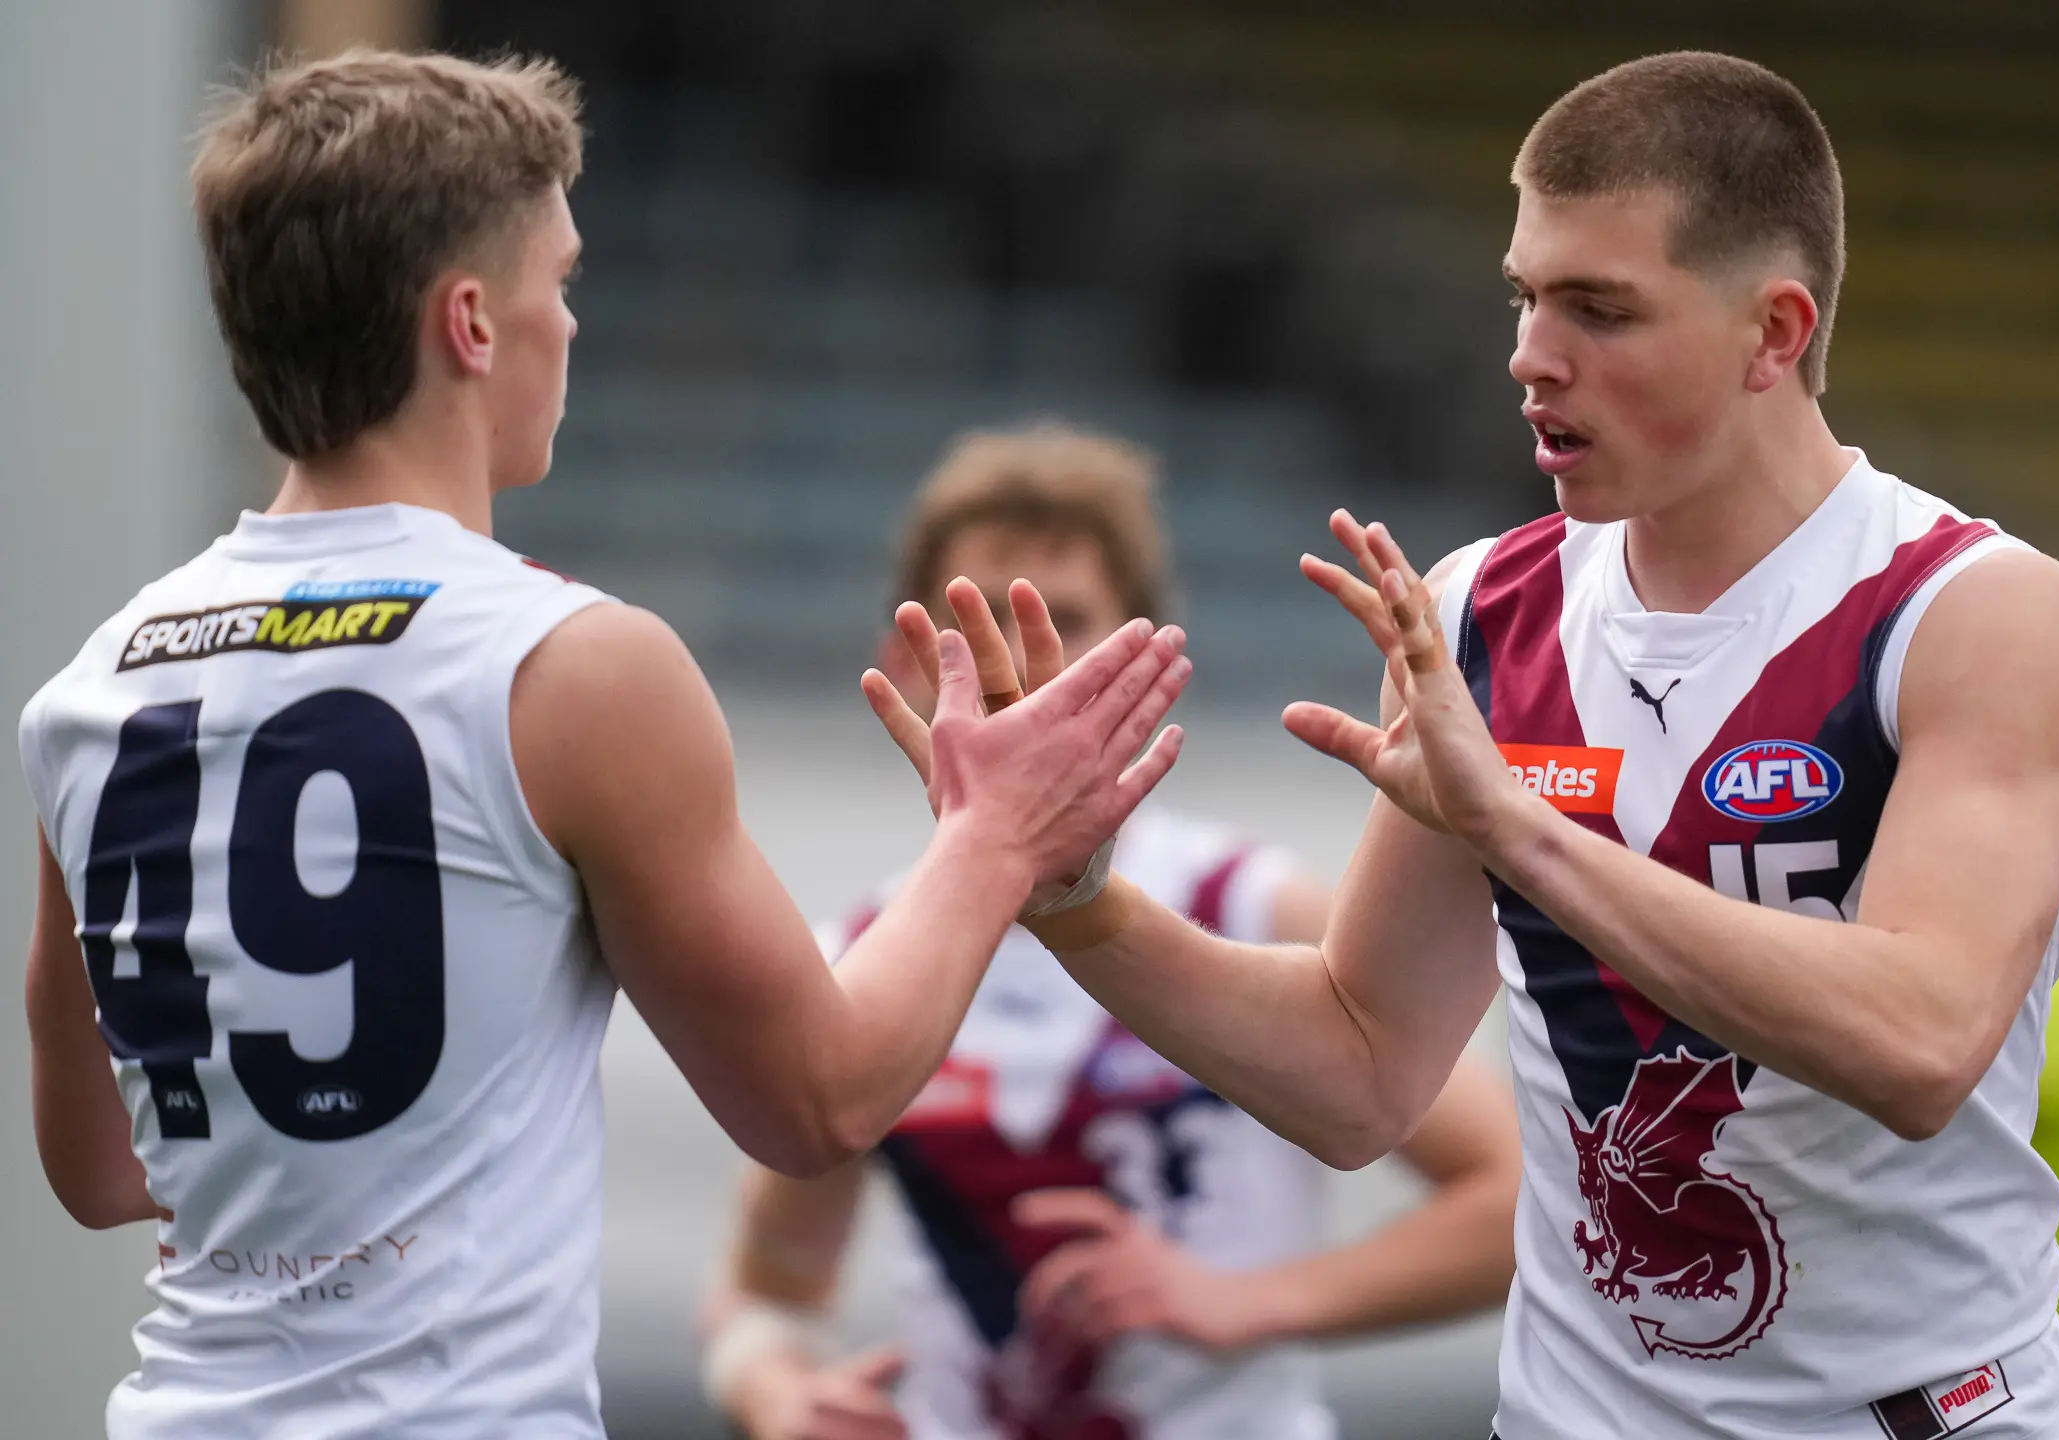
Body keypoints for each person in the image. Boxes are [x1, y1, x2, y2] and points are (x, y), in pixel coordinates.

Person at [869, 54, 2059, 1440]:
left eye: (1600, 308)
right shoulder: (1483, 609)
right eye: (1525, 296)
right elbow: (1359, 1076)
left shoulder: (1974, 612)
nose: (1532, 354)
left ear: (1776, 333)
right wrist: (1075, 897)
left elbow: (1923, 1042)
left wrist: (1523, 831)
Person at [17, 51, 1192, 1440]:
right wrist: (996, 838)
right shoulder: (573, 665)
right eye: (557, 283)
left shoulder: (93, 686)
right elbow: (821, 1100)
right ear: (469, 322)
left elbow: (99, 1169)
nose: (568, 325)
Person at [701, 424, 1521, 1440]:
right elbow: (765, 1293)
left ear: (1146, 659)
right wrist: (779, 1391)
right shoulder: (856, 960)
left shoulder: (1252, 904)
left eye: (1067, 621)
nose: (1021, 666)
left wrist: (1248, 1300)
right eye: (979, 626)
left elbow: (1514, 1202)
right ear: (902, 668)